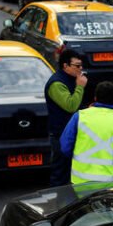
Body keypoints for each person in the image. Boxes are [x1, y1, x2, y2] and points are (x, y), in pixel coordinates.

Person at [60, 81, 113, 184]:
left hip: (80, 181)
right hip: (110, 180)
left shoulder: (80, 116)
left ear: (95, 98)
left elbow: (65, 146)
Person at [45, 50, 88, 186]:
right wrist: (80, 87)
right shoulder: (56, 84)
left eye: (81, 65)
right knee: (60, 172)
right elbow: (70, 105)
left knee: (73, 172)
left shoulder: (73, 79)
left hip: (74, 133)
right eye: (77, 66)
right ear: (65, 66)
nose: (80, 69)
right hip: (60, 134)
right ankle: (58, 204)